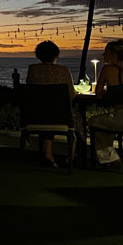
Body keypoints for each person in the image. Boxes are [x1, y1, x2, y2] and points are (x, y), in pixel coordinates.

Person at [25, 40, 78, 168]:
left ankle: (48, 154)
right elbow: (71, 95)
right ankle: (70, 158)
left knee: (48, 114)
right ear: (56, 55)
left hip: (35, 116)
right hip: (61, 118)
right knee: (78, 121)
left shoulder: (32, 70)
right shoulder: (63, 71)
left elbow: (30, 91)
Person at [87, 39, 123, 165]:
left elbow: (98, 93)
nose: (103, 55)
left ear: (113, 55)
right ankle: (109, 158)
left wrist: (105, 92)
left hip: (117, 119)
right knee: (102, 127)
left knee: (92, 121)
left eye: (105, 52)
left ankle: (111, 158)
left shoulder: (107, 69)